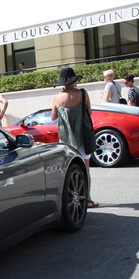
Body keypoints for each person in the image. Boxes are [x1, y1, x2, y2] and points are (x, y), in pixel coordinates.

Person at [51, 67, 98, 208]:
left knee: (67, 171)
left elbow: (53, 117)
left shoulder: (57, 97)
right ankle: (87, 200)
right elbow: (89, 112)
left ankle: (68, 200)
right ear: (74, 80)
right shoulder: (82, 94)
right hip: (82, 137)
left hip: (66, 139)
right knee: (86, 169)